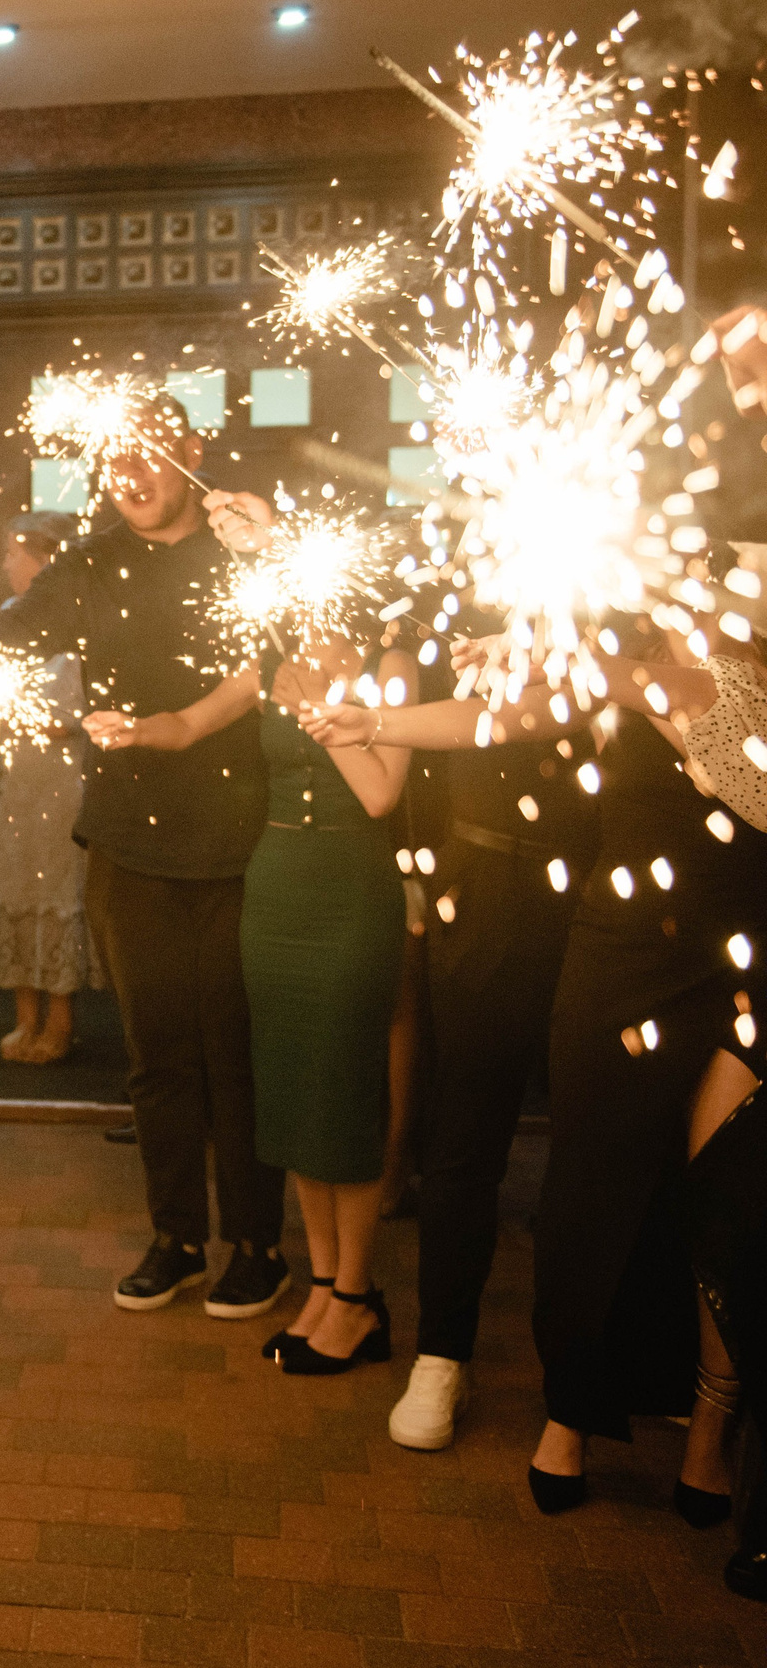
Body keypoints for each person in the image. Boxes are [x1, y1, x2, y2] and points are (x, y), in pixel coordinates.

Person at [304, 622, 766, 1517]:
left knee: (723, 1196)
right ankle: (570, 1410)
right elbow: (501, 717)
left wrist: (625, 673)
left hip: (744, 949)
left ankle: (709, 1424)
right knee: (590, 1179)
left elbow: (746, 770)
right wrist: (378, 724)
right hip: (624, 945)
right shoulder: (615, 650)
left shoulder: (694, 661)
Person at [0, 396, 283, 1320]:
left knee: (234, 1053)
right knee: (156, 1054)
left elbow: (283, 647)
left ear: (190, 451)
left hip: (237, 834)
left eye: (152, 451)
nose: (134, 472)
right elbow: (19, 625)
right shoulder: (93, 561)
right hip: (125, 836)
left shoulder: (240, 544)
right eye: (117, 458)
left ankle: (258, 1245)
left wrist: (272, 546)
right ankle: (177, 1235)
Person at [92, 619, 418, 1375]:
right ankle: (325, 1285)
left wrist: (315, 704)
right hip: (274, 888)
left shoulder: (392, 663)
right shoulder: (272, 657)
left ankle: (360, 1297)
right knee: (291, 1089)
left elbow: (380, 792)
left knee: (344, 1090)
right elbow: (189, 724)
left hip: (349, 889)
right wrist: (133, 729)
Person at [0, 515, 102, 1064]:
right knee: (13, 883)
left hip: (56, 780)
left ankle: (61, 1023)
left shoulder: (79, 624)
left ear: (45, 559)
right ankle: (24, 1018)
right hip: (7, 777)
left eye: (12, 553)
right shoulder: (6, 620)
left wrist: (14, 710)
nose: (5, 565)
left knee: (54, 890)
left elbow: (73, 711)